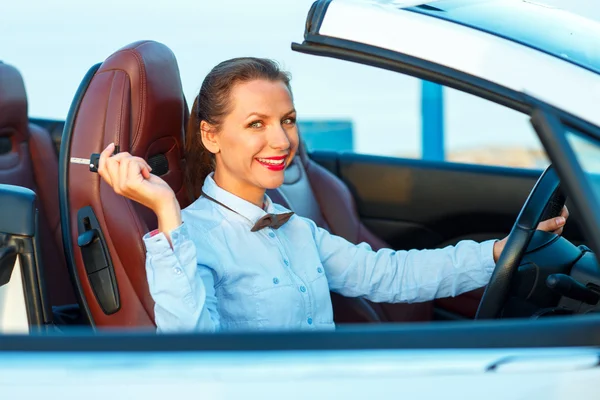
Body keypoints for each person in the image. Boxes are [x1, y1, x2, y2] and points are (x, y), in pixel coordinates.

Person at [98, 57, 569, 333]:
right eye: (256, 124)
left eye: (287, 120)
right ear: (211, 136)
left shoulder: (297, 229)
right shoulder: (190, 237)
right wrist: (164, 209)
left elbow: (390, 276)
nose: (282, 142)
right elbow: (193, 351)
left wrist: (496, 253)